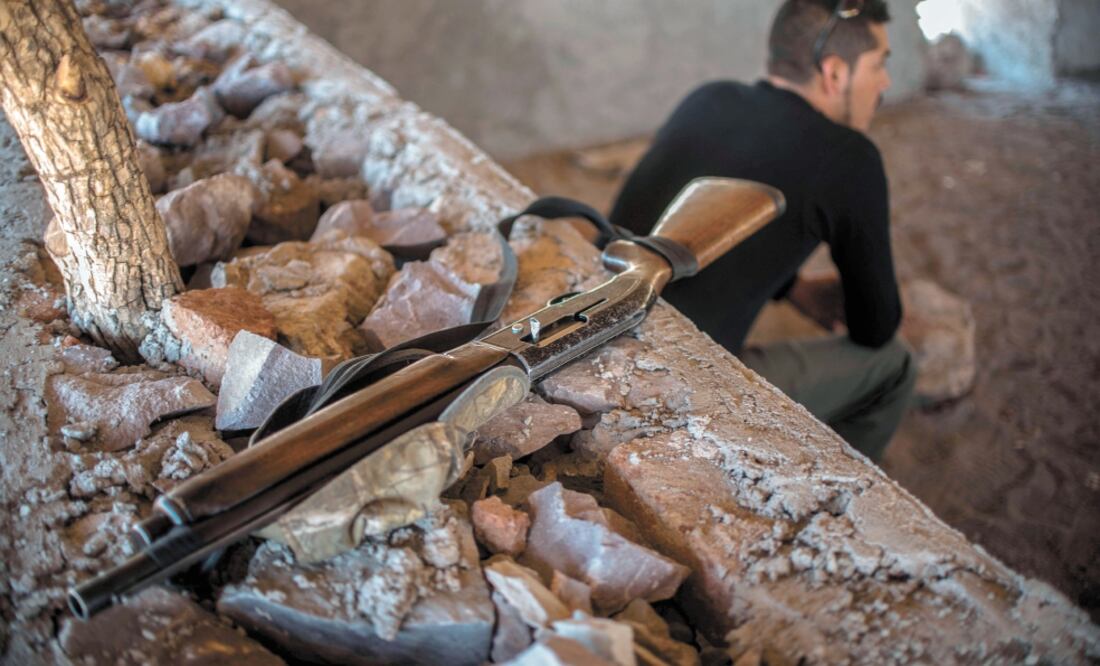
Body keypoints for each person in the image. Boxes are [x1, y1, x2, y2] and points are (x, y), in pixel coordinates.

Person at [609, 0, 915, 461]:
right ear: (834, 73)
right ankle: (823, 489)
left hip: (594, 328)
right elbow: (876, 327)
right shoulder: (851, 158)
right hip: (672, 397)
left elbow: (663, 221)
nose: (884, 82)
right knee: (895, 364)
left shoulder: (708, 97)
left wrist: (791, 288)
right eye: (878, 65)